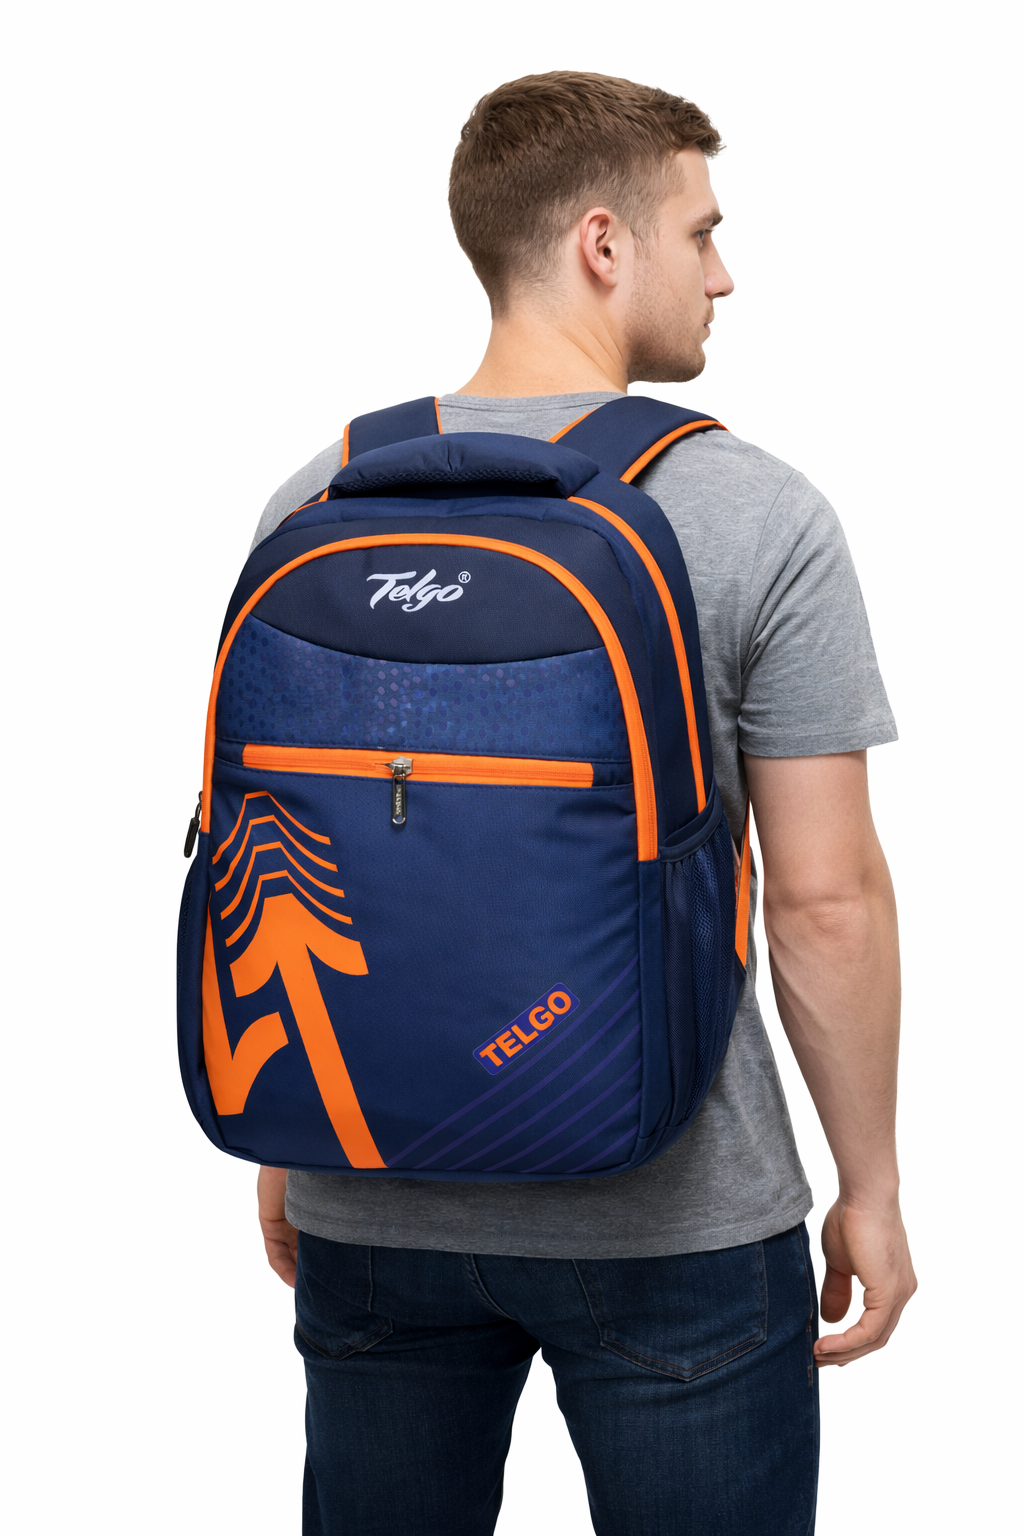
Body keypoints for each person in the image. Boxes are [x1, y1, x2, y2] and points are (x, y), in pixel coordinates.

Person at [249, 72, 916, 1536]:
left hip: (370, 1186)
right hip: (676, 1218)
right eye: (703, 231)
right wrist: (868, 1183)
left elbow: (293, 840)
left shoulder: (320, 500)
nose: (723, 274)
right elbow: (825, 900)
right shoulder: (754, 512)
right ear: (603, 244)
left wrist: (298, 1133)